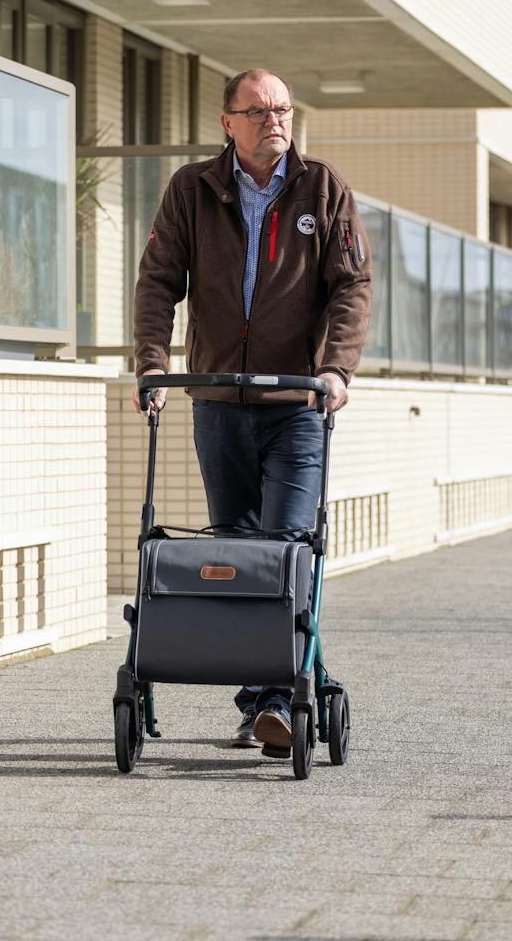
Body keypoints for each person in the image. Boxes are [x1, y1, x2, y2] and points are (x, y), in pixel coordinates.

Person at [131, 67, 371, 759]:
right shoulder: (192, 190)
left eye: (284, 109)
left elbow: (352, 284)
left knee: (287, 545)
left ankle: (275, 701)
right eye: (259, 110)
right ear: (227, 122)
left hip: (296, 403)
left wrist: (336, 367)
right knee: (235, 551)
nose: (275, 121)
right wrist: (152, 361)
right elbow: (157, 282)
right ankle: (271, 694)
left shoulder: (323, 189)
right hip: (217, 403)